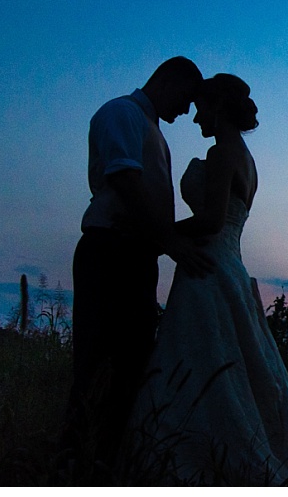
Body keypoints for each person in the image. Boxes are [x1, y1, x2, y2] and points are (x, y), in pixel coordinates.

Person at [121, 74, 288, 486]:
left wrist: (157, 236)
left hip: (206, 271)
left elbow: (211, 221)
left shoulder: (223, 152)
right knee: (227, 367)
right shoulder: (246, 158)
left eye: (201, 110)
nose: (196, 119)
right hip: (229, 266)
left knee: (201, 365)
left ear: (217, 108)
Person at [62, 56, 215, 480]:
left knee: (131, 364)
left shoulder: (153, 131)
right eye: (185, 99)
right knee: (96, 361)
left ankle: (110, 463)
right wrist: (171, 242)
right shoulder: (122, 114)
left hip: (136, 257)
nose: (185, 111)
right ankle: (74, 464)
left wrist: (162, 243)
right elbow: (125, 181)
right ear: (168, 81)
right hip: (110, 253)